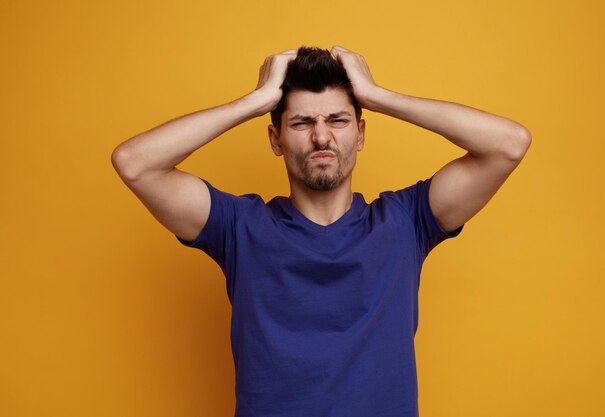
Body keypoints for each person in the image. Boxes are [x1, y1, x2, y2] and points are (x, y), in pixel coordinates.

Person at [111, 45, 531, 417]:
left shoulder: (406, 222)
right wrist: (255, 101)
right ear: (275, 139)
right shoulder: (239, 227)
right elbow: (134, 162)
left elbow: (509, 143)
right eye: (301, 123)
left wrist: (378, 97)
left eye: (338, 119)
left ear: (361, 133)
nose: (321, 136)